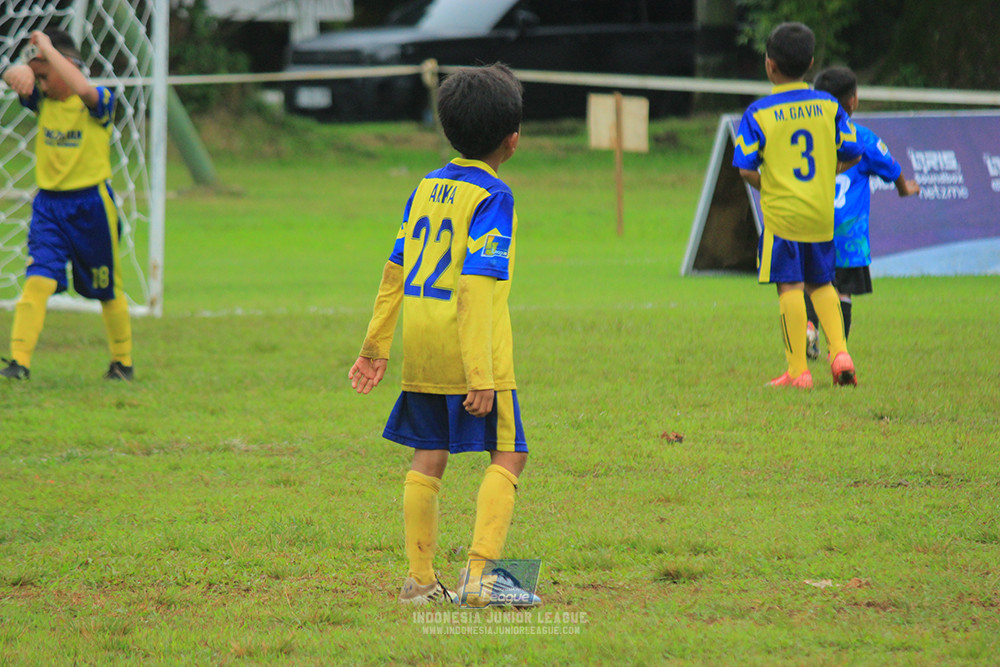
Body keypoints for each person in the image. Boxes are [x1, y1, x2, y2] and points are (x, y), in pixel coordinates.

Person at [348, 63, 539, 607]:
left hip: (422, 346)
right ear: (513, 140)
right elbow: (476, 286)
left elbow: (396, 268)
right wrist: (481, 373)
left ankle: (419, 581)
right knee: (509, 453)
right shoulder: (493, 198)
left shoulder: (426, 187)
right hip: (470, 351)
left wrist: (375, 345)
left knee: (428, 453)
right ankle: (481, 579)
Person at [732, 22, 863, 389]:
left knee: (789, 286)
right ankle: (841, 353)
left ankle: (797, 371)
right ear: (810, 61)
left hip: (783, 216)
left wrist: (768, 184)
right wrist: (829, 172)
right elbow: (853, 151)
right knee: (822, 284)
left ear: (769, 64)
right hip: (820, 214)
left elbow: (744, 167)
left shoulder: (759, 113)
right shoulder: (828, 105)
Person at [0, 28, 133, 381]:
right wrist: (21, 69)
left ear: (68, 64)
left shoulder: (98, 100)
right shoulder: (42, 100)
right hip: (48, 207)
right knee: (37, 280)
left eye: (46, 76)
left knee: (106, 288)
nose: (41, 85)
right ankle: (19, 362)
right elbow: (18, 78)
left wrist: (47, 51)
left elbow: (84, 87)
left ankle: (122, 362)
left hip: (91, 207)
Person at [804, 66, 920, 359]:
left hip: (811, 225)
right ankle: (837, 352)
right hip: (847, 236)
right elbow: (892, 168)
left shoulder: (807, 138)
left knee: (811, 284)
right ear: (853, 101)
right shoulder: (862, 138)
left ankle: (809, 327)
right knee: (842, 291)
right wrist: (905, 188)